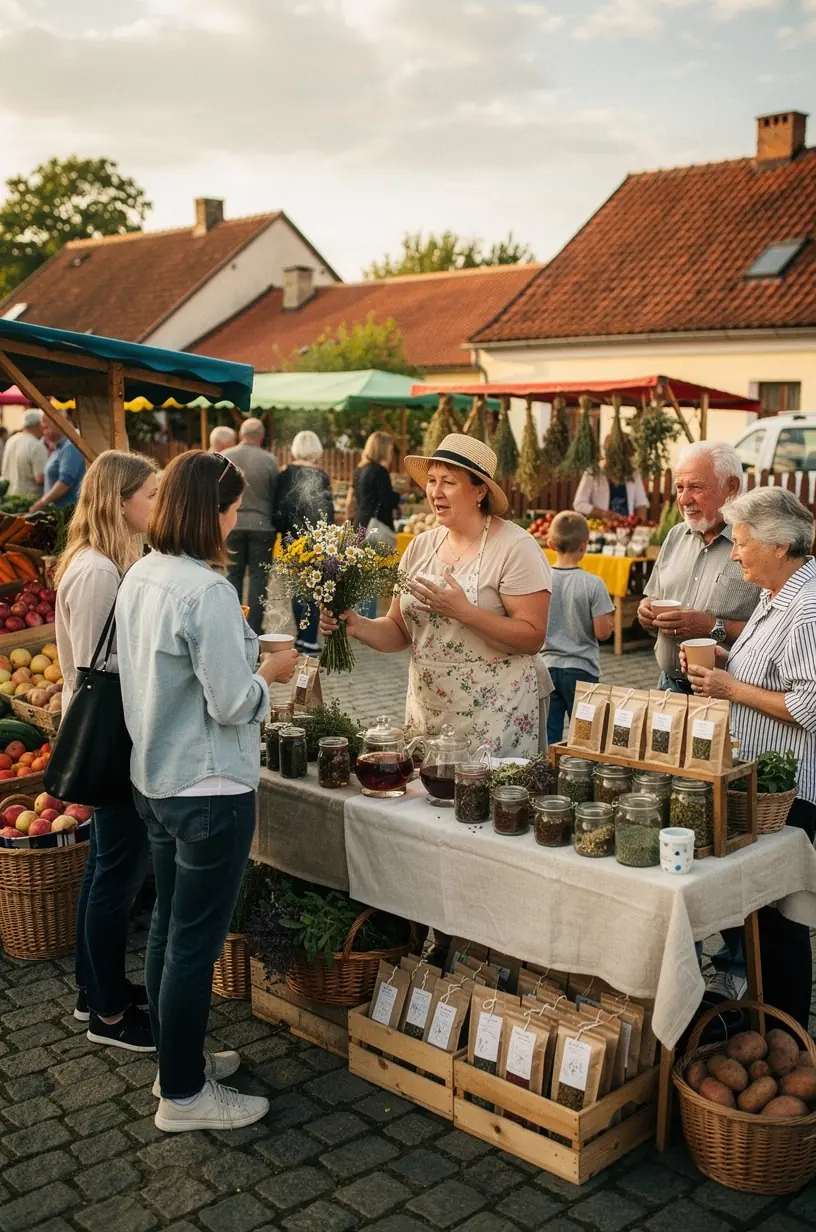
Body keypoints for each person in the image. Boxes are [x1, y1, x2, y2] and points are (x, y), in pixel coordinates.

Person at [115, 451, 298, 1132]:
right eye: (230, 508)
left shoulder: (143, 572)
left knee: (169, 928)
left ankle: (178, 1062)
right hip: (209, 786)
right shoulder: (205, 589)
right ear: (209, 511)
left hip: (157, 778)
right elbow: (230, 702)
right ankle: (185, 1098)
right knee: (194, 942)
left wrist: (242, 654)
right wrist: (272, 674)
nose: (234, 521)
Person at [321, 434, 552, 755]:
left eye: (449, 482)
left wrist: (464, 612)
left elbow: (532, 636)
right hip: (428, 711)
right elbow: (400, 631)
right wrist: (357, 625)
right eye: (431, 481)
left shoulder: (516, 547)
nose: (435, 492)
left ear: (480, 490)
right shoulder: (420, 546)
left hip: (496, 716)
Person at [684, 487, 816, 1029]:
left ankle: (785, 1032)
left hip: (790, 792)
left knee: (779, 918)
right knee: (759, 914)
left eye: (741, 543)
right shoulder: (774, 594)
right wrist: (724, 659)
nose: (734, 554)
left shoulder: (807, 607)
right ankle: (765, 1020)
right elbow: (768, 667)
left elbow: (810, 704)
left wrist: (730, 688)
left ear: (780, 544)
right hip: (757, 779)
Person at [56, 451, 159, 1051]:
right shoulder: (97, 571)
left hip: (109, 732)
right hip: (109, 737)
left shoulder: (103, 563)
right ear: (119, 501)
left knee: (104, 868)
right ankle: (108, 1016)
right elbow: (103, 666)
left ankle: (95, 989)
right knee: (114, 875)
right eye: (149, 494)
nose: (155, 504)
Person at [638, 441, 760, 693]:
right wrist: (646, 611)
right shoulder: (675, 535)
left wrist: (713, 627)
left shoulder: (759, 545)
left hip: (727, 695)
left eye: (695, 487)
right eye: (680, 487)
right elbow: (654, 596)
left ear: (732, 487)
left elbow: (779, 630)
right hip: (667, 686)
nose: (683, 499)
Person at [544, 511, 615, 746]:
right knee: (584, 737)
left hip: (547, 668)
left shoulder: (542, 580)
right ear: (584, 545)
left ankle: (549, 777)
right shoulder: (593, 584)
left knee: (549, 736)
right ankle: (577, 778)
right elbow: (603, 632)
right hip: (582, 670)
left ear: (550, 543)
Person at [274, 430, 334, 653]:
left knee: (296, 587)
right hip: (316, 540)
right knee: (313, 587)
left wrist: (282, 530)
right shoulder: (321, 476)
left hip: (291, 538)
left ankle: (302, 636)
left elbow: (279, 509)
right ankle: (308, 638)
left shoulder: (284, 474)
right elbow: (327, 510)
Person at [223, 418, 279, 634]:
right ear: (261, 436)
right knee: (259, 578)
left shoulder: (227, 456)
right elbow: (275, 494)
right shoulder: (270, 460)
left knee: (232, 575)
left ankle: (232, 625)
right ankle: (253, 628)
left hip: (231, 525)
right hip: (262, 525)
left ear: (241, 433)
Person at [351, 431, 402, 619]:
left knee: (360, 576)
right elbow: (386, 500)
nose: (391, 452)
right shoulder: (380, 472)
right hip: (375, 528)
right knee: (370, 578)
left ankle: (358, 617)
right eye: (390, 448)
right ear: (383, 448)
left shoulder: (359, 469)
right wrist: (398, 496)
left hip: (359, 525)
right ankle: (366, 620)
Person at [573, 435, 648, 523]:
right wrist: (603, 513)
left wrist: (641, 525)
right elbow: (579, 504)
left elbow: (641, 503)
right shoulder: (593, 473)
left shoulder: (633, 473)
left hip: (627, 526)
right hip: (600, 527)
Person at [30, 414, 85, 512]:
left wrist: (42, 502)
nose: (43, 432)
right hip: (59, 511)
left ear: (57, 425)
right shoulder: (60, 446)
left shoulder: (70, 446)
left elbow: (65, 482)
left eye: (46, 427)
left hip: (68, 512)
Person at [1, 409, 47, 501]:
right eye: (42, 425)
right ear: (36, 426)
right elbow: (40, 478)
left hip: (9, 497)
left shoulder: (12, 440)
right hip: (30, 501)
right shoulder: (36, 445)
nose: (44, 428)